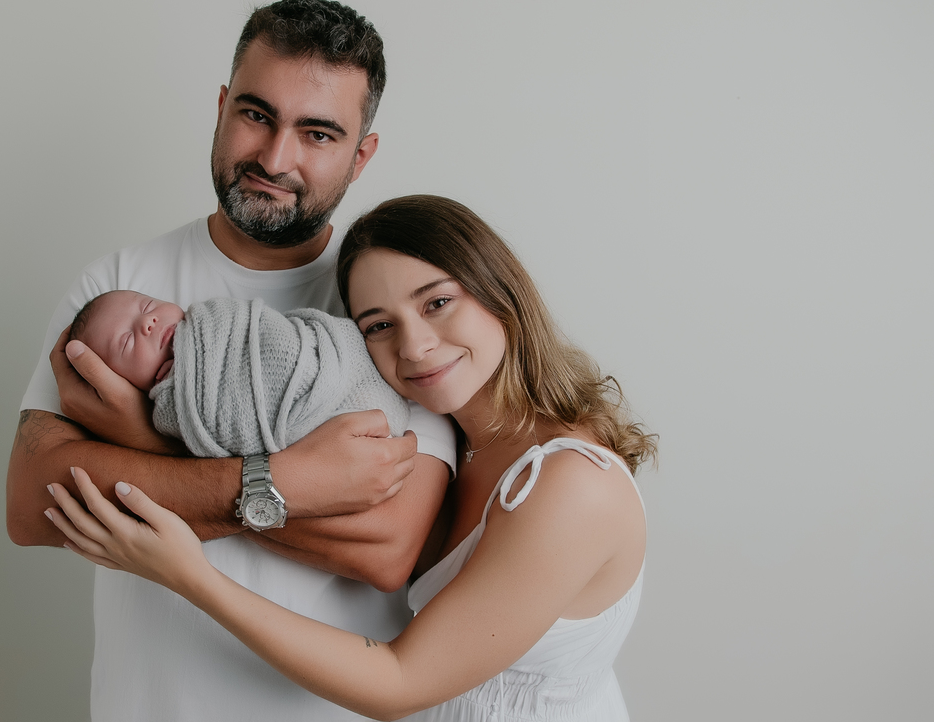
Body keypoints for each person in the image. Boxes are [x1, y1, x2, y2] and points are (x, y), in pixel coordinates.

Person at [6, 0, 456, 721]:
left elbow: (385, 546)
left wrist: (142, 444)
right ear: (221, 108)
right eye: (256, 115)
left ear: (361, 154)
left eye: (317, 133)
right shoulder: (118, 286)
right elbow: (34, 502)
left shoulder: (391, 301)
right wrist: (286, 483)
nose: (276, 158)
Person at [46, 195, 658, 721]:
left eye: (437, 302)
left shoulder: (572, 486)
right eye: (377, 325)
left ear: (500, 292)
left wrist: (189, 575)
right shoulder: (459, 438)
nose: (414, 346)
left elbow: (399, 683)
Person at [67, 289, 409, 458]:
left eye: (147, 305)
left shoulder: (216, 322)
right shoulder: (173, 409)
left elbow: (273, 338)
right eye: (127, 342)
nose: (148, 322)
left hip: (334, 365)